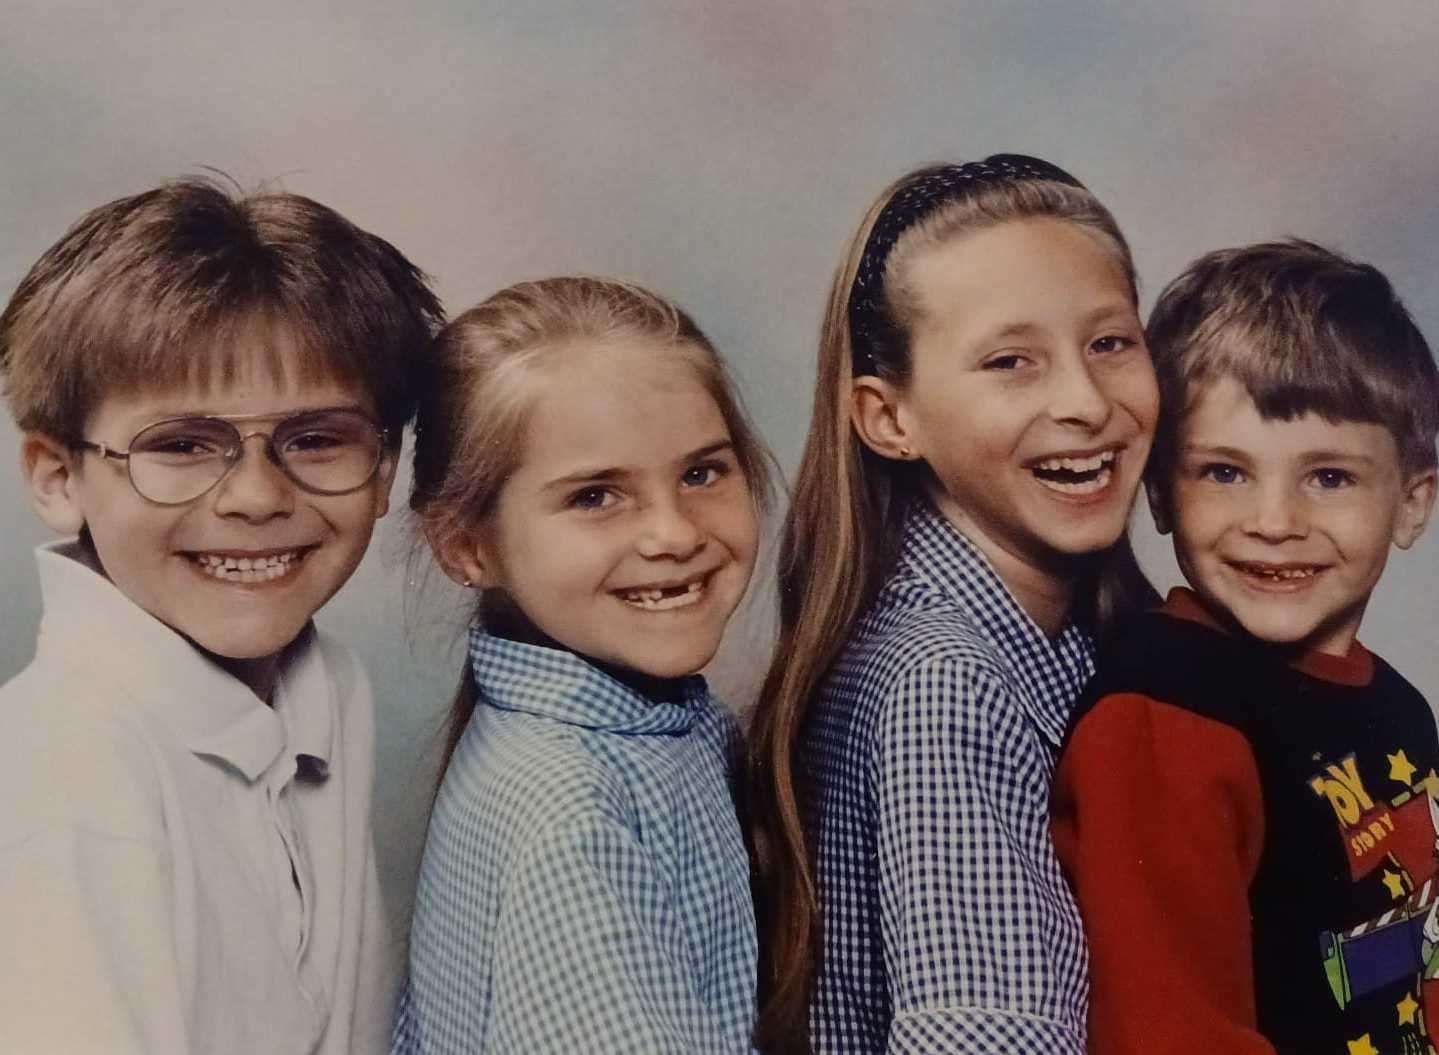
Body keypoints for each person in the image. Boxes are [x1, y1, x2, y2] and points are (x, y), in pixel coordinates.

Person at [0, 177, 443, 1054]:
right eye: (180, 445)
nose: (253, 496)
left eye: (316, 437)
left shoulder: (327, 685)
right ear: (58, 478)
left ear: (385, 466)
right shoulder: (65, 775)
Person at [745, 154, 1160, 1053]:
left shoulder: (1065, 635)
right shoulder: (946, 681)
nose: (1084, 401)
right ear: (888, 417)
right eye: (1011, 362)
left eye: (1109, 342)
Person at [1052, 240, 1439, 1054]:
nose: (1273, 521)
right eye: (1224, 472)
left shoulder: (1394, 706)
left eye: (1328, 477)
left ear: (1411, 502)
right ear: (1157, 492)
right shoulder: (1165, 718)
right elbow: (1169, 1034)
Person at [392, 276, 773, 1054]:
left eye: (702, 472)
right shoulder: (573, 811)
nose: (672, 532)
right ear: (466, 544)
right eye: (597, 496)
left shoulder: (652, 736)